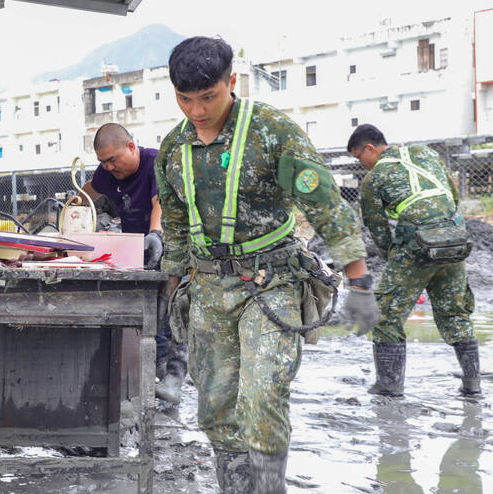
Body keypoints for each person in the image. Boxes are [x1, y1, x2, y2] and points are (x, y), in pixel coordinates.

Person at [155, 36, 379, 493]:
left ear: (231, 82)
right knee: (216, 405)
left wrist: (360, 281)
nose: (197, 112)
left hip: (270, 281)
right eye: (185, 99)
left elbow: (324, 204)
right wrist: (169, 289)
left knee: (262, 395)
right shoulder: (172, 149)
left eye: (208, 98)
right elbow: (176, 225)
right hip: (208, 287)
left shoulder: (271, 130)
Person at [348, 124, 481, 397]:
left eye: (358, 156)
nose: (359, 163)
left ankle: (389, 385)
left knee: (385, 316)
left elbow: (377, 227)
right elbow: (452, 196)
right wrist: (446, 230)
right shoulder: (425, 153)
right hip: (454, 239)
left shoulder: (373, 180)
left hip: (415, 247)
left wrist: (393, 258)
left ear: (370, 148)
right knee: (455, 313)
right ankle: (472, 385)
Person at [80, 123, 188, 404]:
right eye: (103, 162)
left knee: (175, 313)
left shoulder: (156, 162)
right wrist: (73, 208)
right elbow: (88, 192)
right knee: (150, 315)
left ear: (131, 146)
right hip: (140, 255)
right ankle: (156, 378)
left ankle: (173, 377)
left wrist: (155, 234)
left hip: (174, 246)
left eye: (113, 159)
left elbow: (159, 203)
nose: (109, 167)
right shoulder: (107, 174)